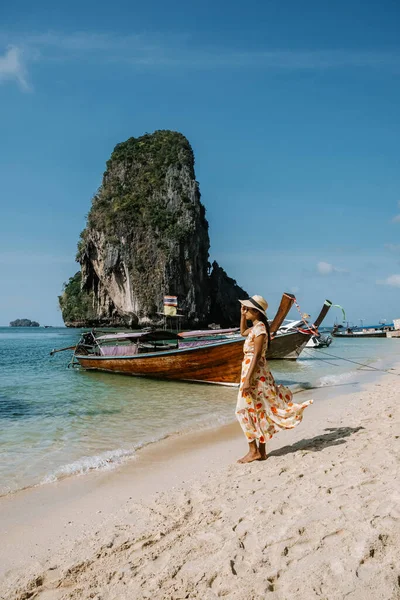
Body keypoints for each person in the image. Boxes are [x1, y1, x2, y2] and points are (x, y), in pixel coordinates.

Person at [236, 295, 313, 464]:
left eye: (247, 309)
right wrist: (242, 316)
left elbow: (256, 355)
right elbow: (242, 332)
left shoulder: (261, 330)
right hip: (255, 371)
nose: (245, 311)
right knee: (259, 409)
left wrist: (248, 379)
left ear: (256, 312)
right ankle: (260, 452)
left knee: (242, 410)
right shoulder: (257, 327)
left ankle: (253, 451)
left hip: (254, 372)